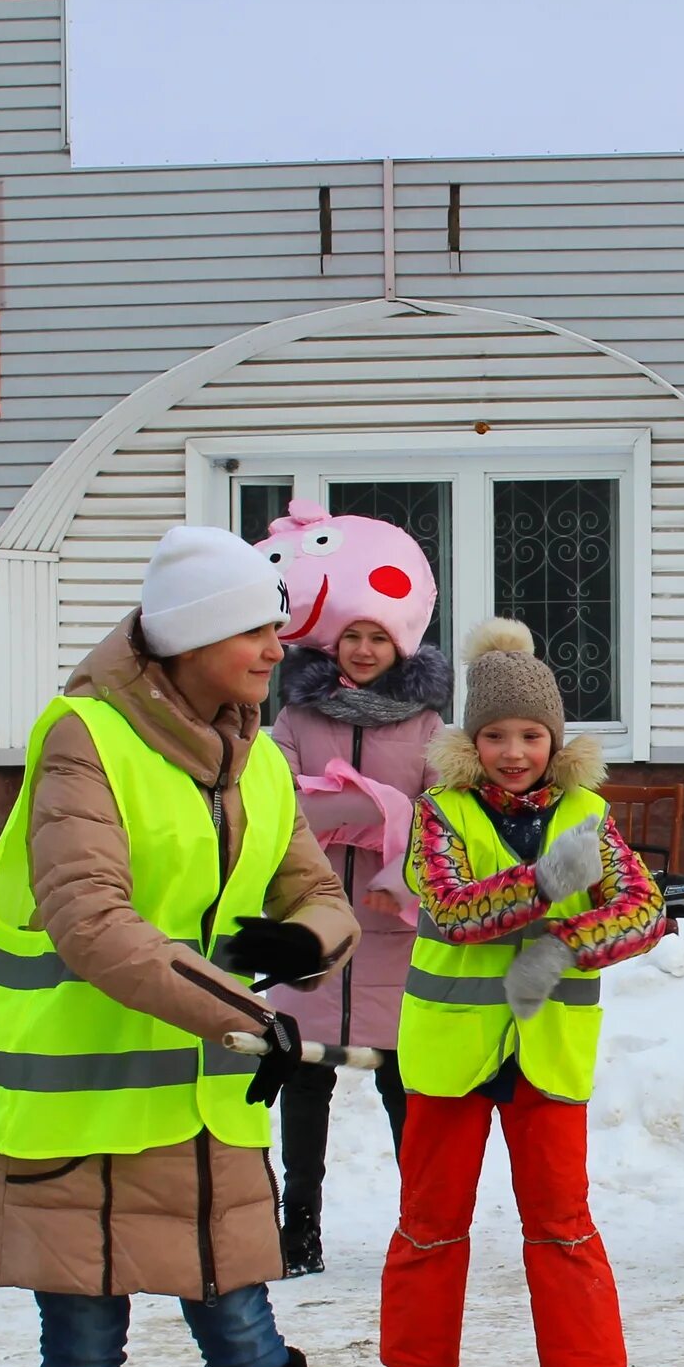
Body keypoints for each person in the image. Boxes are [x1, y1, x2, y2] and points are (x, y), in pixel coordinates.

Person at [0, 524, 361, 1367]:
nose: (278, 646)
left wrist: (305, 938)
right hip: (76, 1108)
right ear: (185, 638)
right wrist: (248, 1010)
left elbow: (317, 890)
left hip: (199, 1108)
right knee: (81, 1356)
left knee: (249, 1346)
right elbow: (89, 916)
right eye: (255, 626)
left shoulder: (257, 755)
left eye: (278, 624)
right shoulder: (84, 738)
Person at [371, 619, 669, 1367]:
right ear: (472, 739)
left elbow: (643, 911)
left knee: (562, 1219)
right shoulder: (439, 813)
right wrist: (550, 884)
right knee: (429, 1216)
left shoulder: (588, 813)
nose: (513, 751)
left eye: (530, 735)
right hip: (449, 1051)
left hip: (546, 1052)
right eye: (496, 734)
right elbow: (451, 907)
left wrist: (566, 944)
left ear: (555, 739)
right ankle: (410, 1364)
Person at [257, 501, 450, 1276]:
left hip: (390, 919)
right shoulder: (298, 714)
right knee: (304, 1082)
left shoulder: (429, 725)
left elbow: (438, 820)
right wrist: (370, 809)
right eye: (351, 636)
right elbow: (278, 799)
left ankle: (423, 1224)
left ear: (399, 643)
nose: (364, 648)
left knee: (404, 1083)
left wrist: (385, 834)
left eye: (378, 636)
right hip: (314, 917)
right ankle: (298, 1226)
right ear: (329, 640)